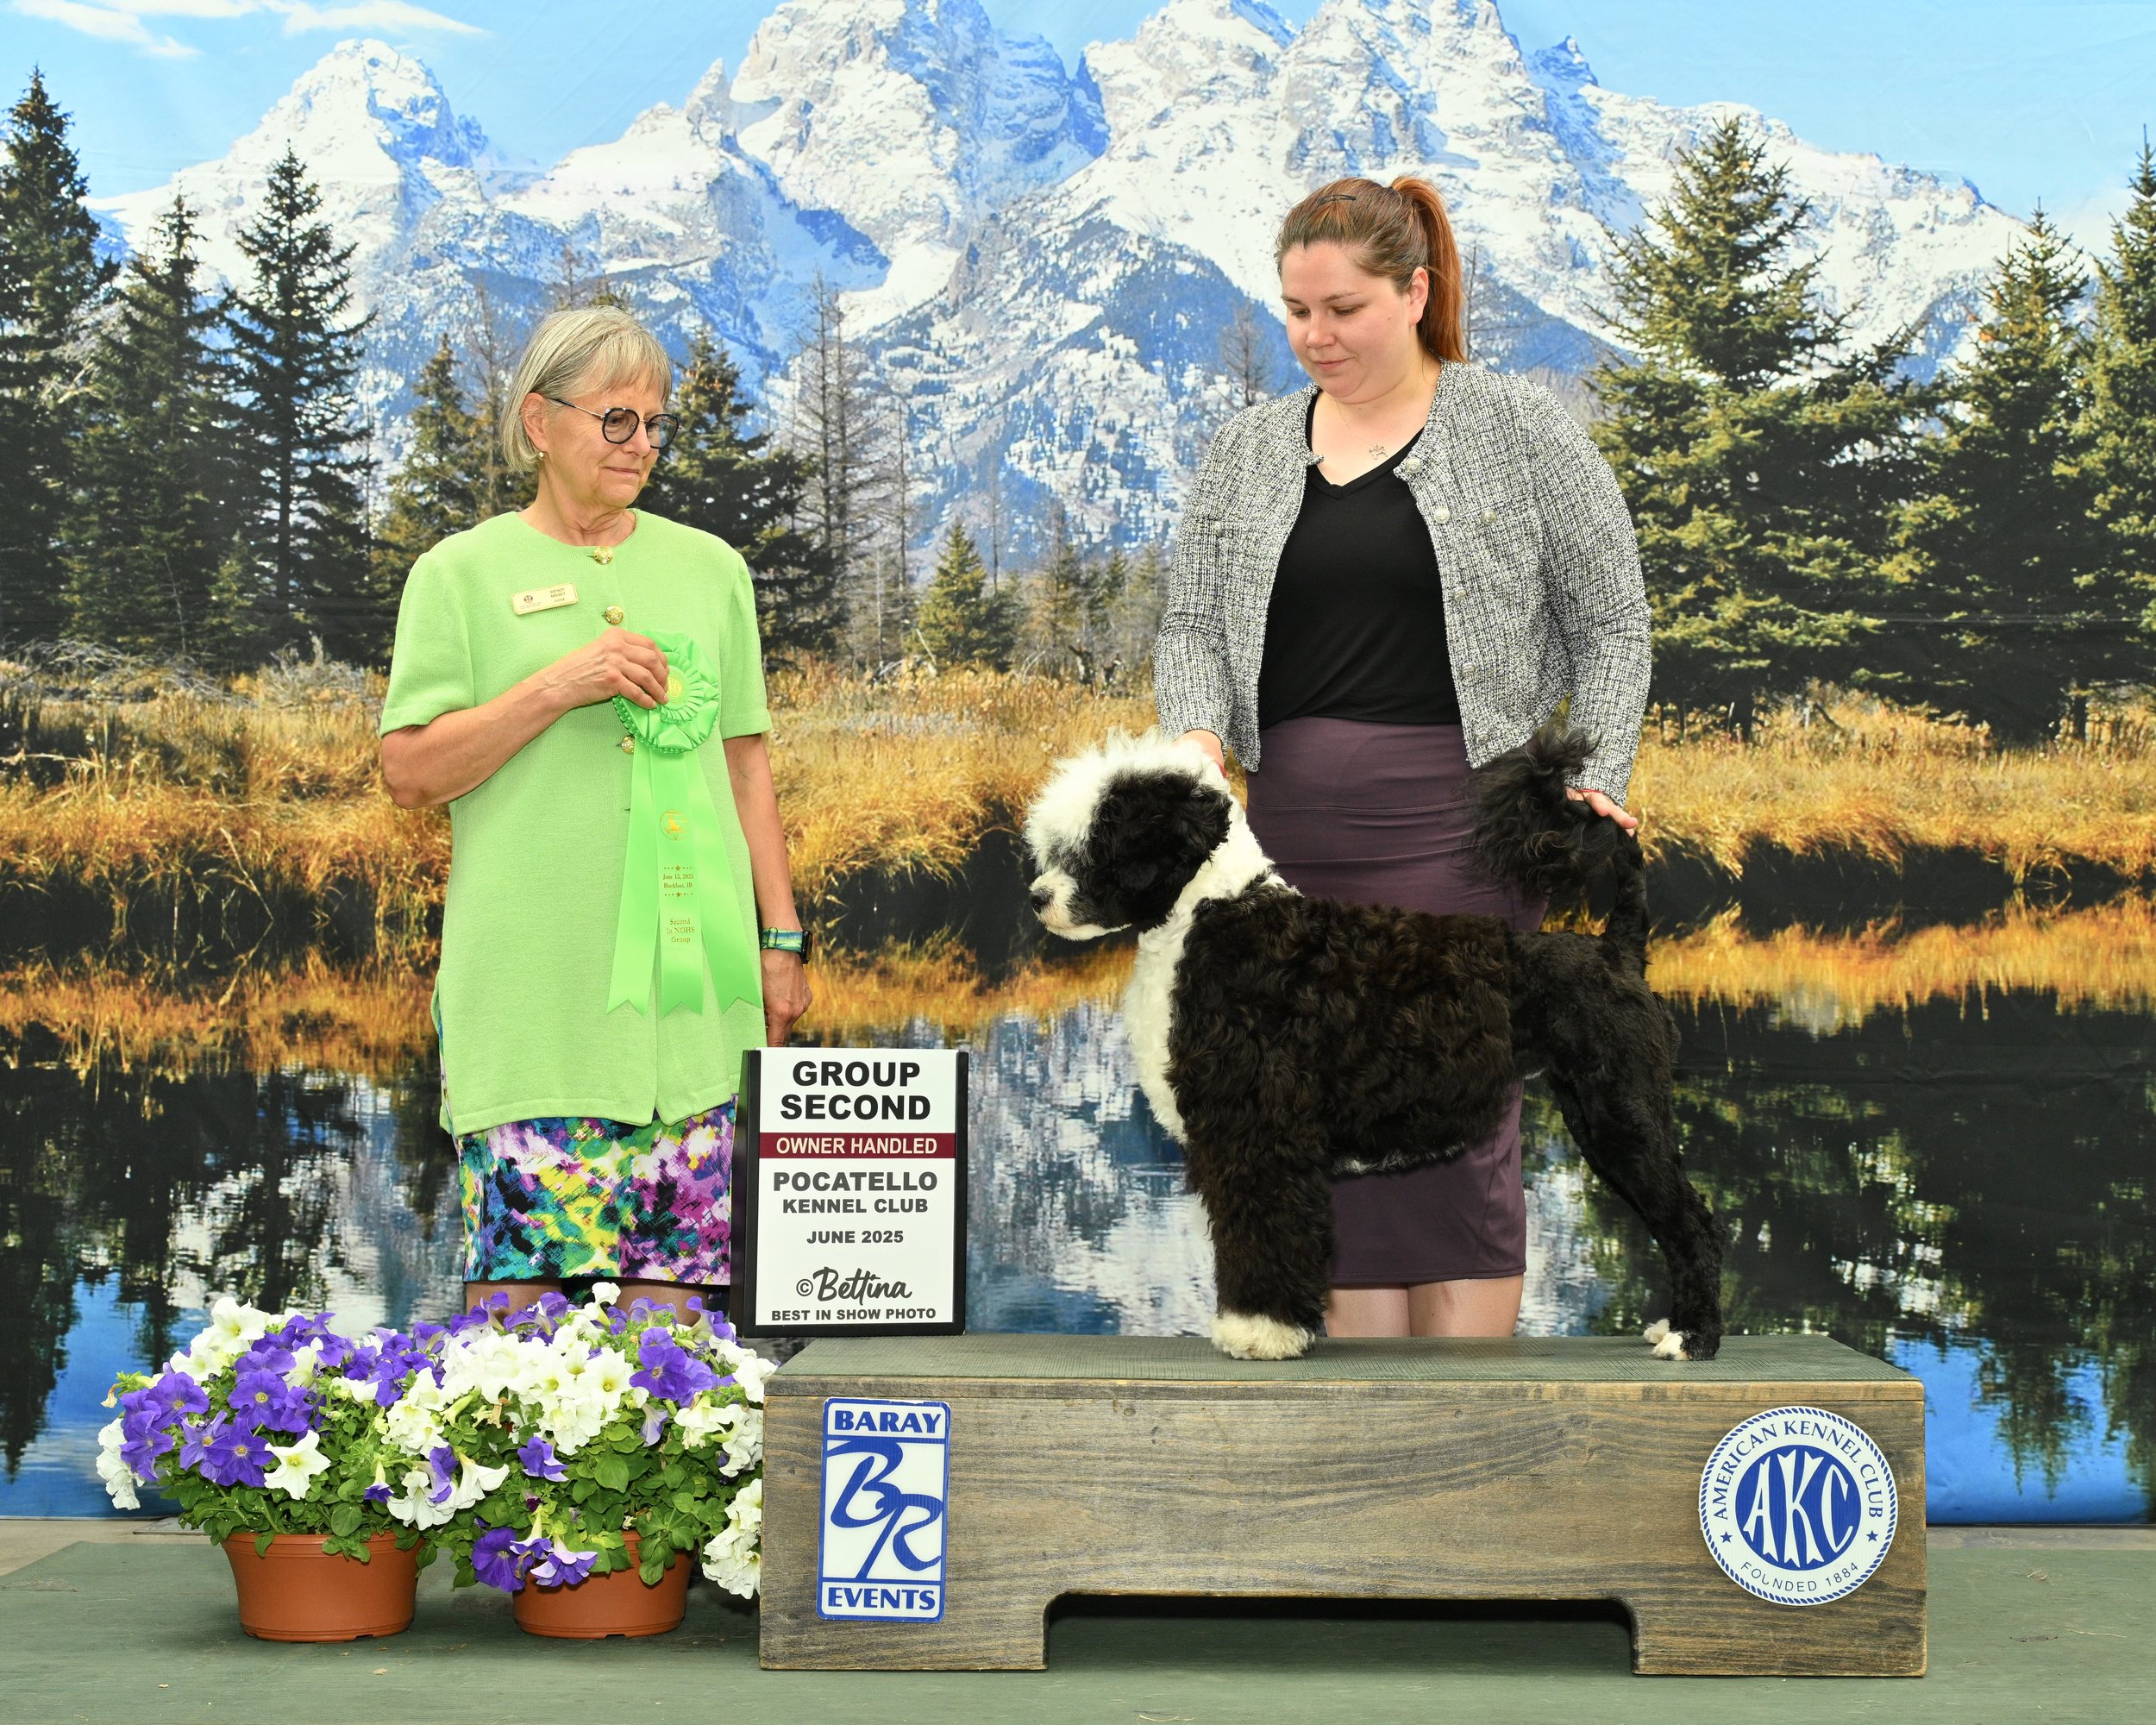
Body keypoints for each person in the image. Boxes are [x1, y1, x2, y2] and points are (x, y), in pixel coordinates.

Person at [1153, 175, 1651, 1342]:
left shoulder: (1521, 428)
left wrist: (1599, 775)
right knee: (1302, 1125)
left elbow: (1614, 623)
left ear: (1416, 292)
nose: (1315, 336)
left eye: (1344, 309)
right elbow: (1191, 626)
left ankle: (1464, 1428)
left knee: (1457, 1128)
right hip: (1285, 841)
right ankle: (1360, 1424)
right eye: (1296, 311)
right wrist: (1198, 732)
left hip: (1466, 833)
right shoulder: (1245, 450)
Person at [379, 304, 812, 1324]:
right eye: (618, 419)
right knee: (512, 1336)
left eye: (656, 423)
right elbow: (408, 773)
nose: (642, 444)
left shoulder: (712, 568)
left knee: (678, 1337)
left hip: (693, 1010)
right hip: (532, 1004)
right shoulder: (456, 574)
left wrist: (781, 940)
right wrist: (556, 685)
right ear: (540, 422)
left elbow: (745, 766)